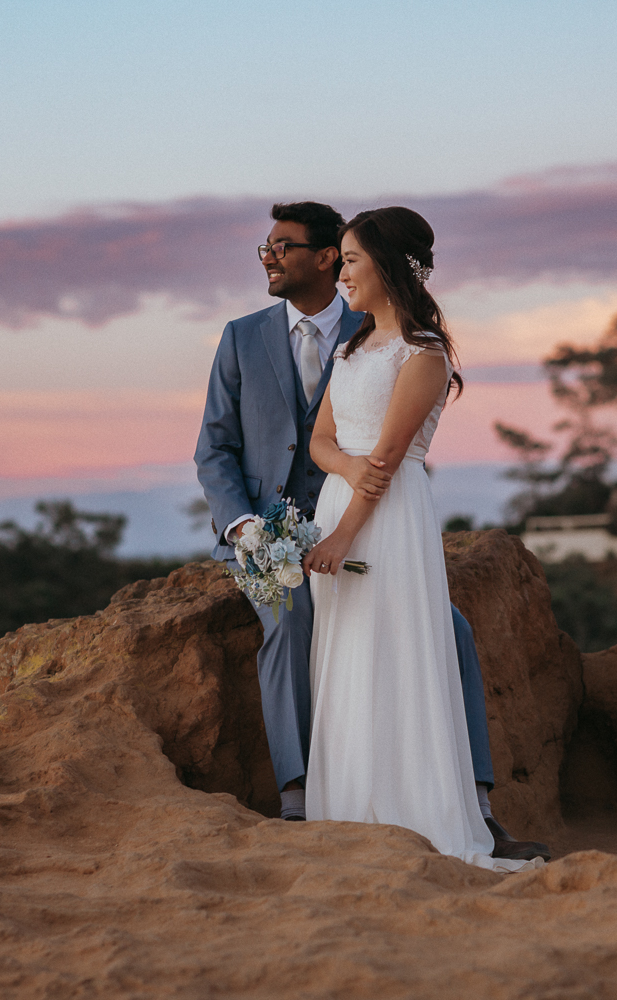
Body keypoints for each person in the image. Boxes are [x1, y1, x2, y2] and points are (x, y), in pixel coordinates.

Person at [195, 202, 547, 863]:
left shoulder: (375, 334)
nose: (268, 258)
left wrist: (353, 497)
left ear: (328, 257)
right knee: (290, 619)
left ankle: (473, 803)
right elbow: (217, 448)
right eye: (263, 248)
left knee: (452, 631)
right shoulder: (243, 338)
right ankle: (300, 798)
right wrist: (247, 528)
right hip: (272, 532)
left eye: (282, 246)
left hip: (365, 521)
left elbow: (386, 451)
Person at [301, 207, 540, 872]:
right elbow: (323, 440)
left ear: (390, 266)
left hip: (385, 520)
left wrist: (343, 536)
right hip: (339, 501)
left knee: (392, 655)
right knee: (345, 660)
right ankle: (347, 811)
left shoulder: (424, 354)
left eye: (351, 259)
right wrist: (343, 473)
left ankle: (416, 816)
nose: (341, 272)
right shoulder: (350, 348)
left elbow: (389, 458)